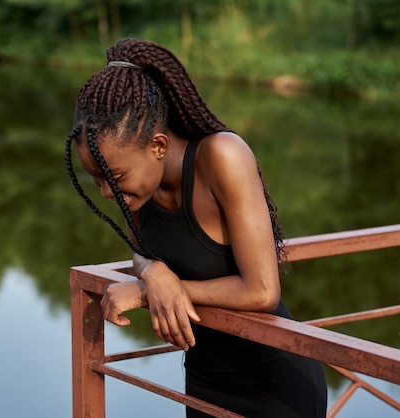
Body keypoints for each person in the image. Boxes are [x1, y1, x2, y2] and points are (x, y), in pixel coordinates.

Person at [64, 38, 327, 417]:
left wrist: (143, 292)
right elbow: (141, 251)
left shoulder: (222, 156)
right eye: (96, 179)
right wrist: (152, 273)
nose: (107, 192)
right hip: (205, 380)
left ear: (157, 145)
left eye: (114, 177)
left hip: (276, 383)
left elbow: (263, 290)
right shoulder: (137, 188)